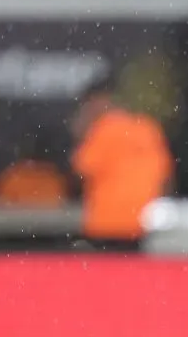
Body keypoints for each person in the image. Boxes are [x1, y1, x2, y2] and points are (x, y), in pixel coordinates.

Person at [70, 74, 173, 247]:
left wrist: (81, 133)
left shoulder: (104, 129)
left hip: (106, 224)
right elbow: (166, 178)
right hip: (140, 224)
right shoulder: (147, 127)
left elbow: (80, 170)